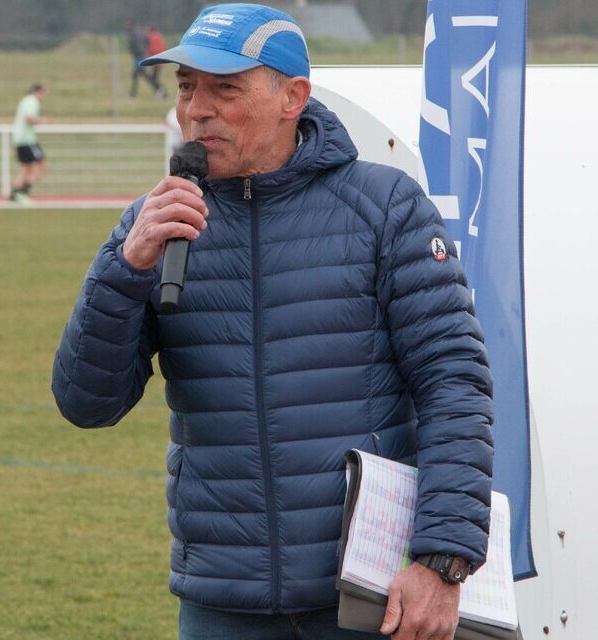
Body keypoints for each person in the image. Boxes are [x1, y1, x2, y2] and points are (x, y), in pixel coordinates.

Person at [52, 4, 494, 640]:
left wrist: (442, 560)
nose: (195, 109)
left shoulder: (384, 207)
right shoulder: (151, 225)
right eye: (185, 87)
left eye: (224, 88)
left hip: (369, 598)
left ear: (294, 96)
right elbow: (85, 403)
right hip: (220, 602)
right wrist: (124, 273)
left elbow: (454, 384)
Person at [9, 83, 49, 206]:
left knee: (26, 170)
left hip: (19, 139)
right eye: (43, 94)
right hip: (27, 140)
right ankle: (23, 193)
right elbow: (28, 118)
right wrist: (42, 121)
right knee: (42, 165)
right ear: (38, 92)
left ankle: (14, 196)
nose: (44, 97)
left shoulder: (25, 101)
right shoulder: (32, 101)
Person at [125, 18, 166, 99]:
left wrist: (150, 56)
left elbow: (152, 47)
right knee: (148, 77)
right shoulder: (145, 33)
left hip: (143, 57)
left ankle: (161, 91)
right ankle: (160, 91)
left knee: (146, 76)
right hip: (150, 58)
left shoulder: (138, 34)